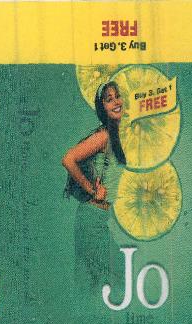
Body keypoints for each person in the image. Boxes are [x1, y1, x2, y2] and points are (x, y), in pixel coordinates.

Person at [62, 81, 126, 290]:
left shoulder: (117, 136)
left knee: (94, 281)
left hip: (97, 219)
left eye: (118, 96)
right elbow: (68, 159)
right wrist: (91, 190)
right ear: (102, 108)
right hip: (91, 220)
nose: (116, 102)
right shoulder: (104, 136)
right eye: (109, 99)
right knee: (113, 274)